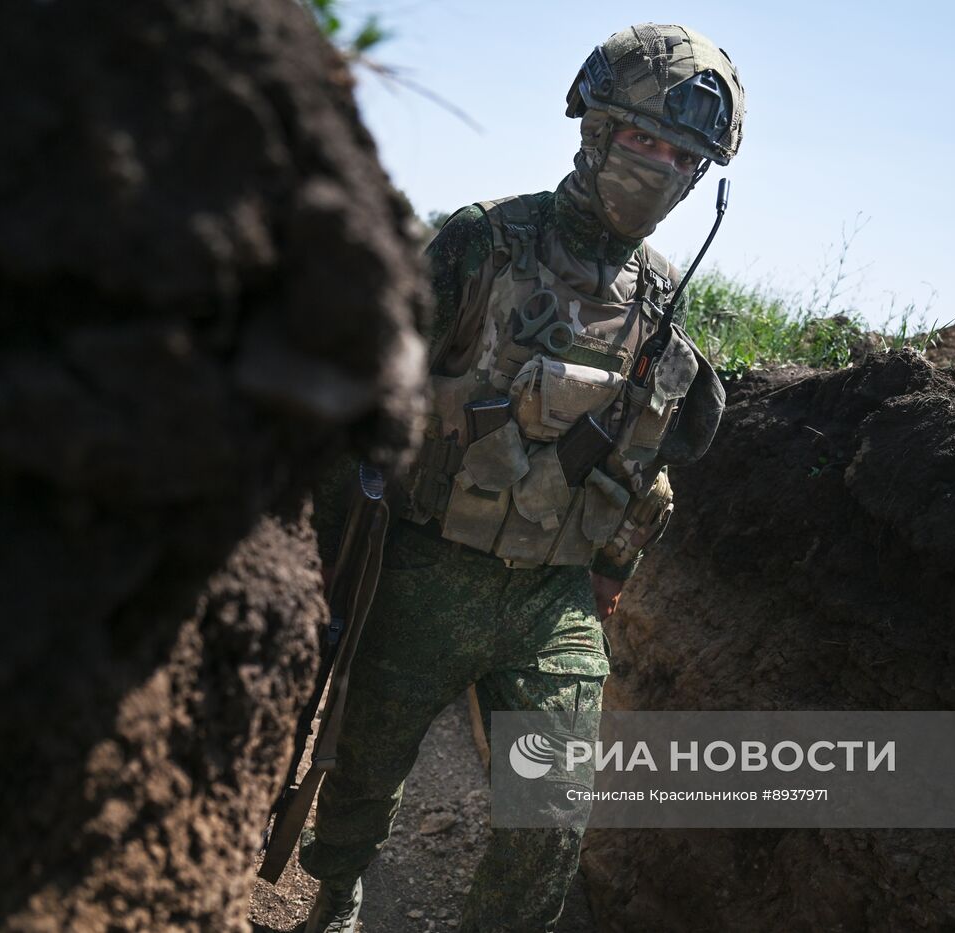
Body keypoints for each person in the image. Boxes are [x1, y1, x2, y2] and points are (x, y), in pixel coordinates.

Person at [299, 22, 745, 932]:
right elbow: (368, 392)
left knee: (549, 818)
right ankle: (336, 892)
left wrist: (612, 566)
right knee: (362, 779)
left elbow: (645, 451)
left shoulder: (661, 292)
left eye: (682, 155)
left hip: (550, 601)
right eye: (643, 139)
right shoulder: (481, 242)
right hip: (425, 570)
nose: (659, 166)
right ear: (595, 128)